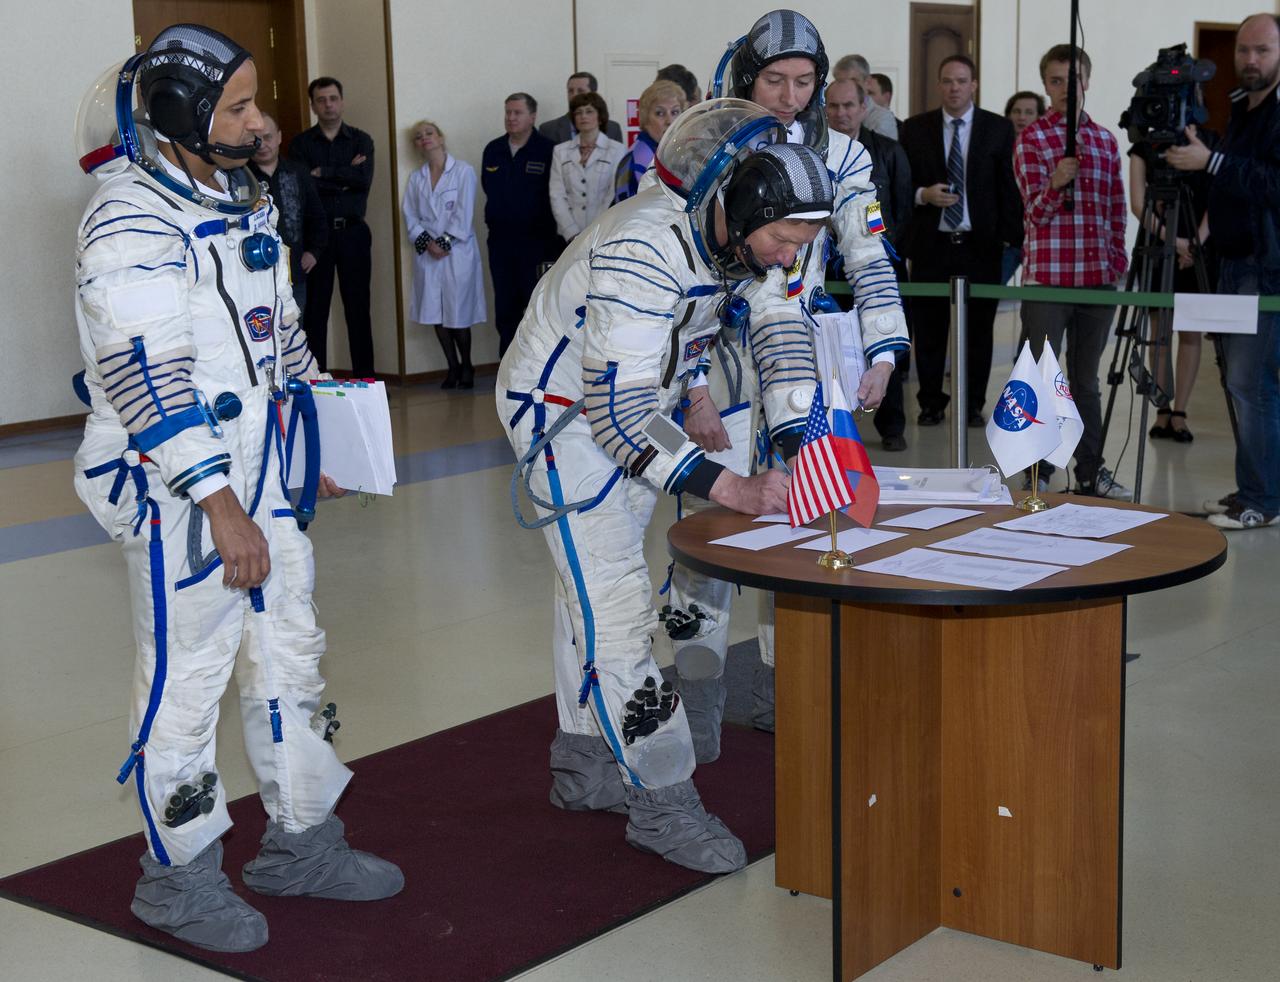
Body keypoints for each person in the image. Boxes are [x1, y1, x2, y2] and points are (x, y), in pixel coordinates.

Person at [72, 24, 402, 953]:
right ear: (183, 116)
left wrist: (319, 434)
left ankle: (302, 841)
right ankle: (177, 878)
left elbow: (279, 334)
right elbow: (146, 379)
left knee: (289, 651)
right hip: (179, 488)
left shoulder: (237, 197)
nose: (262, 122)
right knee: (188, 680)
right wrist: (219, 505)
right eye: (240, 106)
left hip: (263, 470)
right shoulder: (129, 219)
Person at [497, 101, 832, 873]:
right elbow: (615, 415)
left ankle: (584, 762)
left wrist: (794, 439)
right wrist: (733, 488)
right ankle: (663, 800)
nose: (790, 257)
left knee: (589, 586)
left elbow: (780, 327)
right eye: (783, 240)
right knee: (613, 601)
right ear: (743, 209)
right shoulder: (644, 244)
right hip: (564, 414)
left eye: (802, 244)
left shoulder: (750, 240)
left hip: (640, 404)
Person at [671, 9, 911, 754]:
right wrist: (691, 388)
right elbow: (677, 271)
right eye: (774, 80)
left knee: (806, 522)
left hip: (801, 355)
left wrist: (882, 353)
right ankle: (698, 707)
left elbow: (868, 254)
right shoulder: (713, 145)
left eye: (805, 82)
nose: (790, 96)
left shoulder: (845, 155)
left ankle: (790, 691)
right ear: (748, 77)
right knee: (710, 535)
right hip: (715, 352)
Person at [1167, 12, 1280, 528]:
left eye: (1262, 50)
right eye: (1243, 50)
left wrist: (1210, 162)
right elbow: (1233, 186)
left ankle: (1263, 501)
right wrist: (1202, 237)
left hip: (1266, 269)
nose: (1250, 60)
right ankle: (1252, 490)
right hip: (1231, 266)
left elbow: (1272, 183)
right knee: (1241, 385)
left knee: (1251, 385)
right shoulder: (1241, 106)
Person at [1015, 44, 1131, 499]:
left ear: (1087, 81)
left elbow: (1116, 209)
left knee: (1086, 382)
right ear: (1046, 85)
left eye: (1074, 79)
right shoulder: (1032, 140)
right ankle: (1037, 470)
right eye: (1056, 81)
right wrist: (1056, 182)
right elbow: (1033, 213)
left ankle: (1090, 471)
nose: (1066, 88)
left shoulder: (1104, 140)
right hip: (1048, 278)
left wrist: (1116, 262)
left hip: (1097, 281)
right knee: (1042, 378)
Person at [900, 55, 1022, 429]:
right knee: (930, 330)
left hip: (979, 245)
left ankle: (971, 405)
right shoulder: (915, 128)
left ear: (974, 85)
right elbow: (902, 183)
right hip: (931, 245)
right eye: (948, 81)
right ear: (940, 85)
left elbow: (1008, 187)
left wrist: (1010, 239)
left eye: (961, 81)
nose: (954, 88)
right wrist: (923, 195)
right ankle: (930, 403)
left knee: (978, 331)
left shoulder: (998, 128)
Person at [826, 76, 914, 451]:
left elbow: (903, 208)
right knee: (834, 351)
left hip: (877, 264)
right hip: (829, 274)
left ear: (864, 108)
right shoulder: (814, 154)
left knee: (883, 345)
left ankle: (892, 426)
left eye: (849, 105)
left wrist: (874, 251)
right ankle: (837, 427)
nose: (841, 113)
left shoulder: (889, 151)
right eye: (833, 106)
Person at [1129, 127, 1216, 442]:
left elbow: (1217, 197)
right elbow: (1138, 203)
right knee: (1159, 333)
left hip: (1198, 243)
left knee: (1191, 331)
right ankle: (1162, 408)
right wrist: (1174, 242)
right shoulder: (1144, 145)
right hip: (1157, 244)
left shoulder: (1209, 141)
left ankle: (1180, 412)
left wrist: (1195, 243)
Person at [289, 76, 376, 376]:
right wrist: (344, 174)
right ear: (313, 106)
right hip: (318, 239)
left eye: (333, 98)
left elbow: (362, 180)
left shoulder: (361, 140)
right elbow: (305, 189)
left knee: (358, 310)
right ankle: (318, 383)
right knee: (316, 313)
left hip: (354, 233)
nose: (328, 105)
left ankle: (367, 382)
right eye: (321, 100)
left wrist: (323, 173)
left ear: (342, 101)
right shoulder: (301, 145)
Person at [403, 120, 485, 389]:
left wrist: (444, 242)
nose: (424, 138)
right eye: (419, 136)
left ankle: (467, 365)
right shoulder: (416, 178)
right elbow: (410, 215)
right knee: (435, 312)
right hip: (428, 255)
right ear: (416, 145)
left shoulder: (463, 171)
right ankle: (452, 367)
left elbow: (464, 212)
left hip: (457, 252)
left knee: (457, 313)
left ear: (440, 137)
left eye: (429, 133)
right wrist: (428, 243)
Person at [481, 93, 560, 356]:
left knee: (537, 308)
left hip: (538, 243)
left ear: (532, 117)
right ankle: (507, 366)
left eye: (517, 113)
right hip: (501, 243)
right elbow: (488, 189)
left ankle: (536, 367)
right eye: (508, 112)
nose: (511, 118)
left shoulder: (548, 150)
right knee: (505, 309)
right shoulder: (493, 149)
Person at [248, 114, 327, 315]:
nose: (262, 145)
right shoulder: (240, 177)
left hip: (295, 274)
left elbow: (317, 215)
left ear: (279, 137)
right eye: (256, 139)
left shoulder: (298, 172)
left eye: (268, 137)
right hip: (254, 275)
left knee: (294, 328)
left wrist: (314, 252)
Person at [549, 92, 625, 241]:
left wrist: (595, 230)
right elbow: (556, 194)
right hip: (569, 235)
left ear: (600, 116)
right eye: (578, 112)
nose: (583, 116)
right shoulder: (560, 151)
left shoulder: (617, 150)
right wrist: (571, 231)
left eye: (589, 111)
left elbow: (613, 193)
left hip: (603, 232)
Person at [614, 79, 686, 202]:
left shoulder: (670, 151)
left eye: (675, 112)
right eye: (660, 113)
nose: (669, 121)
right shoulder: (637, 159)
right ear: (645, 118)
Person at [1001, 91, 1046, 284]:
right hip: (1007, 241)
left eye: (1029, 112)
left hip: (1038, 239)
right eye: (1016, 111)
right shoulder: (998, 149)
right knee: (988, 291)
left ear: (1040, 117)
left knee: (1037, 297)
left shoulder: (1046, 149)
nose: (1021, 117)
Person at [539, 71, 625, 144]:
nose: (574, 95)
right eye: (570, 91)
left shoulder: (613, 128)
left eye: (580, 91)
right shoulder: (548, 129)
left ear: (594, 94)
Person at [831, 53, 899, 139]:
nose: (848, 87)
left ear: (867, 81)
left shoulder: (882, 118)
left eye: (854, 81)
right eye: (841, 82)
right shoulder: (828, 114)